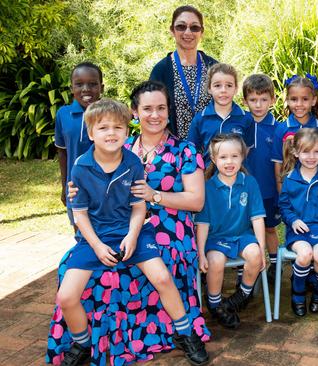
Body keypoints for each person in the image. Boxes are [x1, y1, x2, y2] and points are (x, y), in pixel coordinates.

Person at [52, 81, 211, 364]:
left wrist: (155, 196)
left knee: (160, 268)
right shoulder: (117, 146)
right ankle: (90, 339)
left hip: (167, 227)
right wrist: (74, 190)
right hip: (109, 227)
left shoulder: (184, 151)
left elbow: (196, 201)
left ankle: (183, 332)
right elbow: (84, 199)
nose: (154, 114)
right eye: (147, 108)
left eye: (161, 108)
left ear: (168, 111)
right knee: (71, 269)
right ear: (135, 113)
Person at [196, 134, 266, 329]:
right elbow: (202, 223)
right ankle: (215, 303)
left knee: (254, 254)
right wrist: (201, 253)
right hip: (216, 238)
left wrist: (262, 248)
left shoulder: (249, 183)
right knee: (215, 261)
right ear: (213, 159)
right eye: (223, 157)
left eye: (234, 156)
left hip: (242, 235)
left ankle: (240, 296)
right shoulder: (207, 187)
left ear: (242, 157)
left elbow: (257, 218)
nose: (229, 162)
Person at [278, 128, 318, 316]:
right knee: (305, 255)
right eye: (306, 152)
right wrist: (293, 220)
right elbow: (284, 206)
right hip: (298, 230)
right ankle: (297, 293)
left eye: (316, 151)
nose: (311, 157)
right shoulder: (290, 178)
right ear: (296, 152)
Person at [150, 5, 217, 139]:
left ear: (201, 32)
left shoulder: (213, 67)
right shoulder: (161, 70)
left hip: (211, 149)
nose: (188, 32)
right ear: (172, 30)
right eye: (181, 26)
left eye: (194, 27)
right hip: (175, 150)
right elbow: (152, 109)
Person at [55, 62, 103, 231]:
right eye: (79, 84)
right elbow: (63, 154)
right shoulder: (63, 114)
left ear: (101, 87)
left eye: (92, 84)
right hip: (76, 188)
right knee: (82, 238)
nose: (86, 89)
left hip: (105, 187)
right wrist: (64, 187)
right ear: (71, 88)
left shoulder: (109, 113)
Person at [242, 74, 281, 284]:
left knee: (269, 228)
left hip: (268, 189)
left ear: (272, 100)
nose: (258, 105)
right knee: (246, 228)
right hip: (246, 190)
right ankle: (250, 267)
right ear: (245, 101)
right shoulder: (241, 125)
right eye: (253, 100)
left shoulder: (278, 128)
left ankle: (275, 264)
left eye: (264, 99)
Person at [271, 74, 318, 193]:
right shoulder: (282, 129)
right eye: (294, 99)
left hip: (317, 189)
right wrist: (281, 192)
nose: (299, 104)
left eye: (305, 99)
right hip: (291, 191)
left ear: (313, 100)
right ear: (287, 100)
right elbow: (278, 163)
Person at [188, 63, 252, 162]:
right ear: (209, 88)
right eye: (217, 85)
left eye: (229, 85)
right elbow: (191, 153)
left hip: (239, 175)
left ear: (235, 89)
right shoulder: (199, 119)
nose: (223, 90)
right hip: (209, 176)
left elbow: (247, 149)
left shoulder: (247, 118)